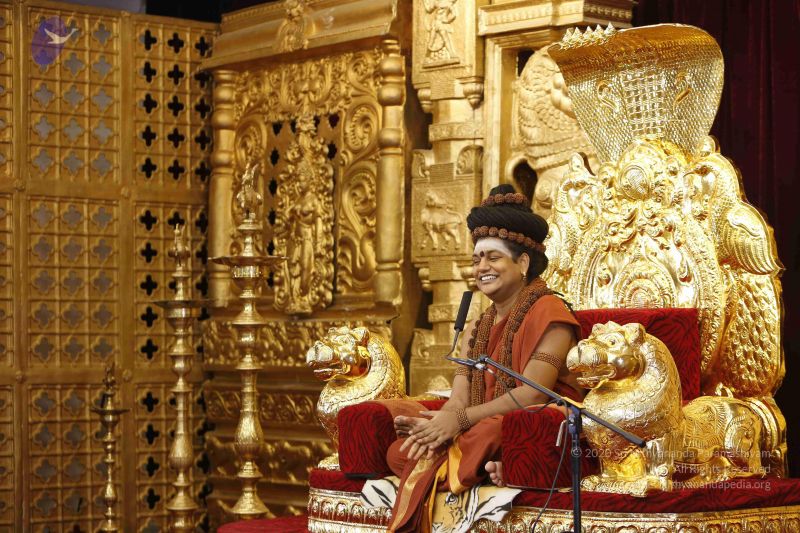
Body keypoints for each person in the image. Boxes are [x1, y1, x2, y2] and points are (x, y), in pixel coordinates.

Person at [378, 184, 583, 532]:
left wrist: (457, 422)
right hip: (481, 425)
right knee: (401, 450)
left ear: (522, 262)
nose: (481, 267)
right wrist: (436, 424)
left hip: (535, 423)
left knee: (491, 433)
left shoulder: (552, 313)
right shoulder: (477, 325)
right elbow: (460, 396)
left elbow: (534, 394)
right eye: (476, 260)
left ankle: (481, 463)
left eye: (492, 257)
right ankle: (483, 467)